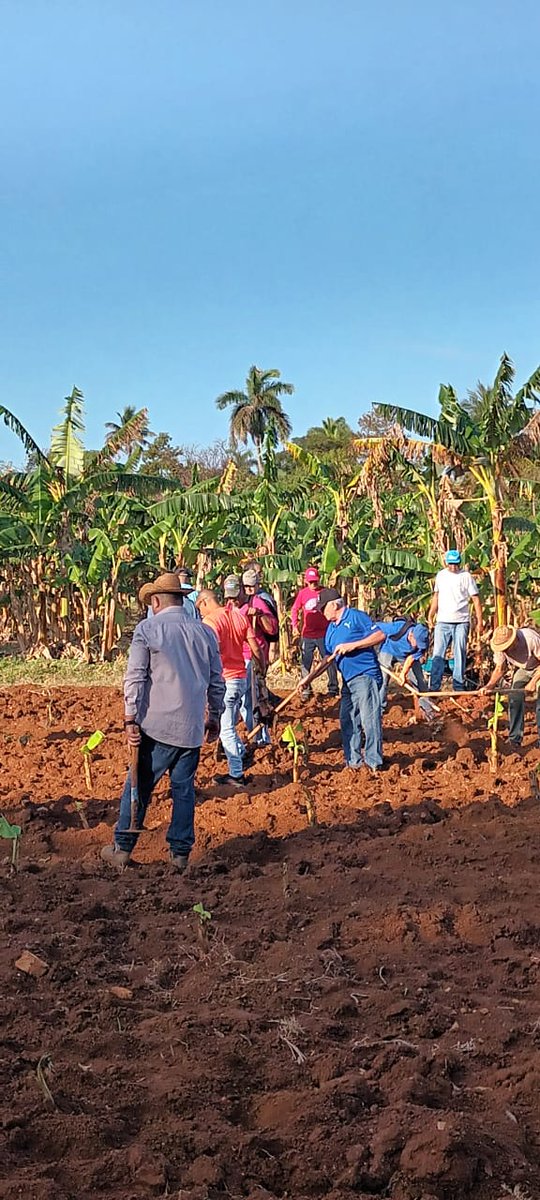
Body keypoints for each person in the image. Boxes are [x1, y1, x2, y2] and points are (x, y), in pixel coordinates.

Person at [101, 572, 225, 873]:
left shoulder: (148, 629)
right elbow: (216, 682)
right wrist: (215, 718)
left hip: (155, 727)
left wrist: (130, 718)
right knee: (184, 791)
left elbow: (136, 677)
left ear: (155, 601)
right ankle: (180, 854)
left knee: (139, 786)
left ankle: (122, 847)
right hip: (192, 728)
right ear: (182, 599)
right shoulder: (205, 632)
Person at [196, 587, 262, 787]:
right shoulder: (238, 616)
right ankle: (240, 752)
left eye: (200, 609)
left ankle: (236, 774)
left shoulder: (210, 623)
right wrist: (262, 670)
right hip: (240, 678)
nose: (200, 614)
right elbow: (255, 647)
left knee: (225, 729)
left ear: (205, 602)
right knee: (229, 723)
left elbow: (209, 654)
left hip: (224, 681)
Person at [320, 588, 385, 773]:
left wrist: (353, 645)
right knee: (347, 719)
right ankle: (353, 762)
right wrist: (307, 680)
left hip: (365, 675)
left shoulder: (356, 617)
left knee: (369, 719)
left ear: (334, 604)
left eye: (323, 608)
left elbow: (379, 635)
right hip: (347, 681)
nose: (321, 612)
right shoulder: (331, 629)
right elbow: (327, 658)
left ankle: (374, 762)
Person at [428, 550, 483, 692]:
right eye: (450, 564)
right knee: (438, 654)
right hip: (443, 622)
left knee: (459, 653)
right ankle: (434, 687)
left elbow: (476, 600)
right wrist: (431, 614)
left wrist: (480, 621)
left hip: (461, 622)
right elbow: (436, 596)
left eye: (455, 564)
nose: (453, 567)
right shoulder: (441, 576)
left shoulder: (466, 577)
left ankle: (458, 686)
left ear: (459, 563)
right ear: (446, 563)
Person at [482, 624, 540, 747]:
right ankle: (515, 739)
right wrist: (489, 686)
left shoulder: (530, 639)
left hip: (538, 666)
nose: (505, 650)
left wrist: (533, 682)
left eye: (507, 647)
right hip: (524, 669)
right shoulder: (500, 648)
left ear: (514, 641)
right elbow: (500, 669)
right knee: (514, 697)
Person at [239, 567, 279, 746]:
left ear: (257, 585)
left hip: (256, 656)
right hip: (240, 656)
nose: (248, 589)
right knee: (244, 700)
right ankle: (254, 733)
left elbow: (272, 629)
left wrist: (260, 615)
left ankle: (262, 737)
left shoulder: (261, 601)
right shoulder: (238, 603)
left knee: (256, 698)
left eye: (251, 586)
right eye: (245, 586)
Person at [291, 566, 339, 701]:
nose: (313, 584)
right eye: (311, 582)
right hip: (308, 634)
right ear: (306, 581)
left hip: (324, 633)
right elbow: (295, 609)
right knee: (306, 662)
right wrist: (295, 625)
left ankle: (333, 688)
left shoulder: (324, 592)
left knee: (329, 660)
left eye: (315, 582)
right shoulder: (303, 594)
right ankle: (306, 689)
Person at [376, 619, 431, 715]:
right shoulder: (397, 627)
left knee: (419, 680)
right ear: (411, 635)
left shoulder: (423, 644)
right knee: (382, 679)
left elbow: (410, 659)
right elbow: (375, 627)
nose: (418, 646)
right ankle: (379, 709)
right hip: (388, 650)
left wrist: (403, 674)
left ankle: (427, 710)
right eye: (417, 643)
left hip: (406, 656)